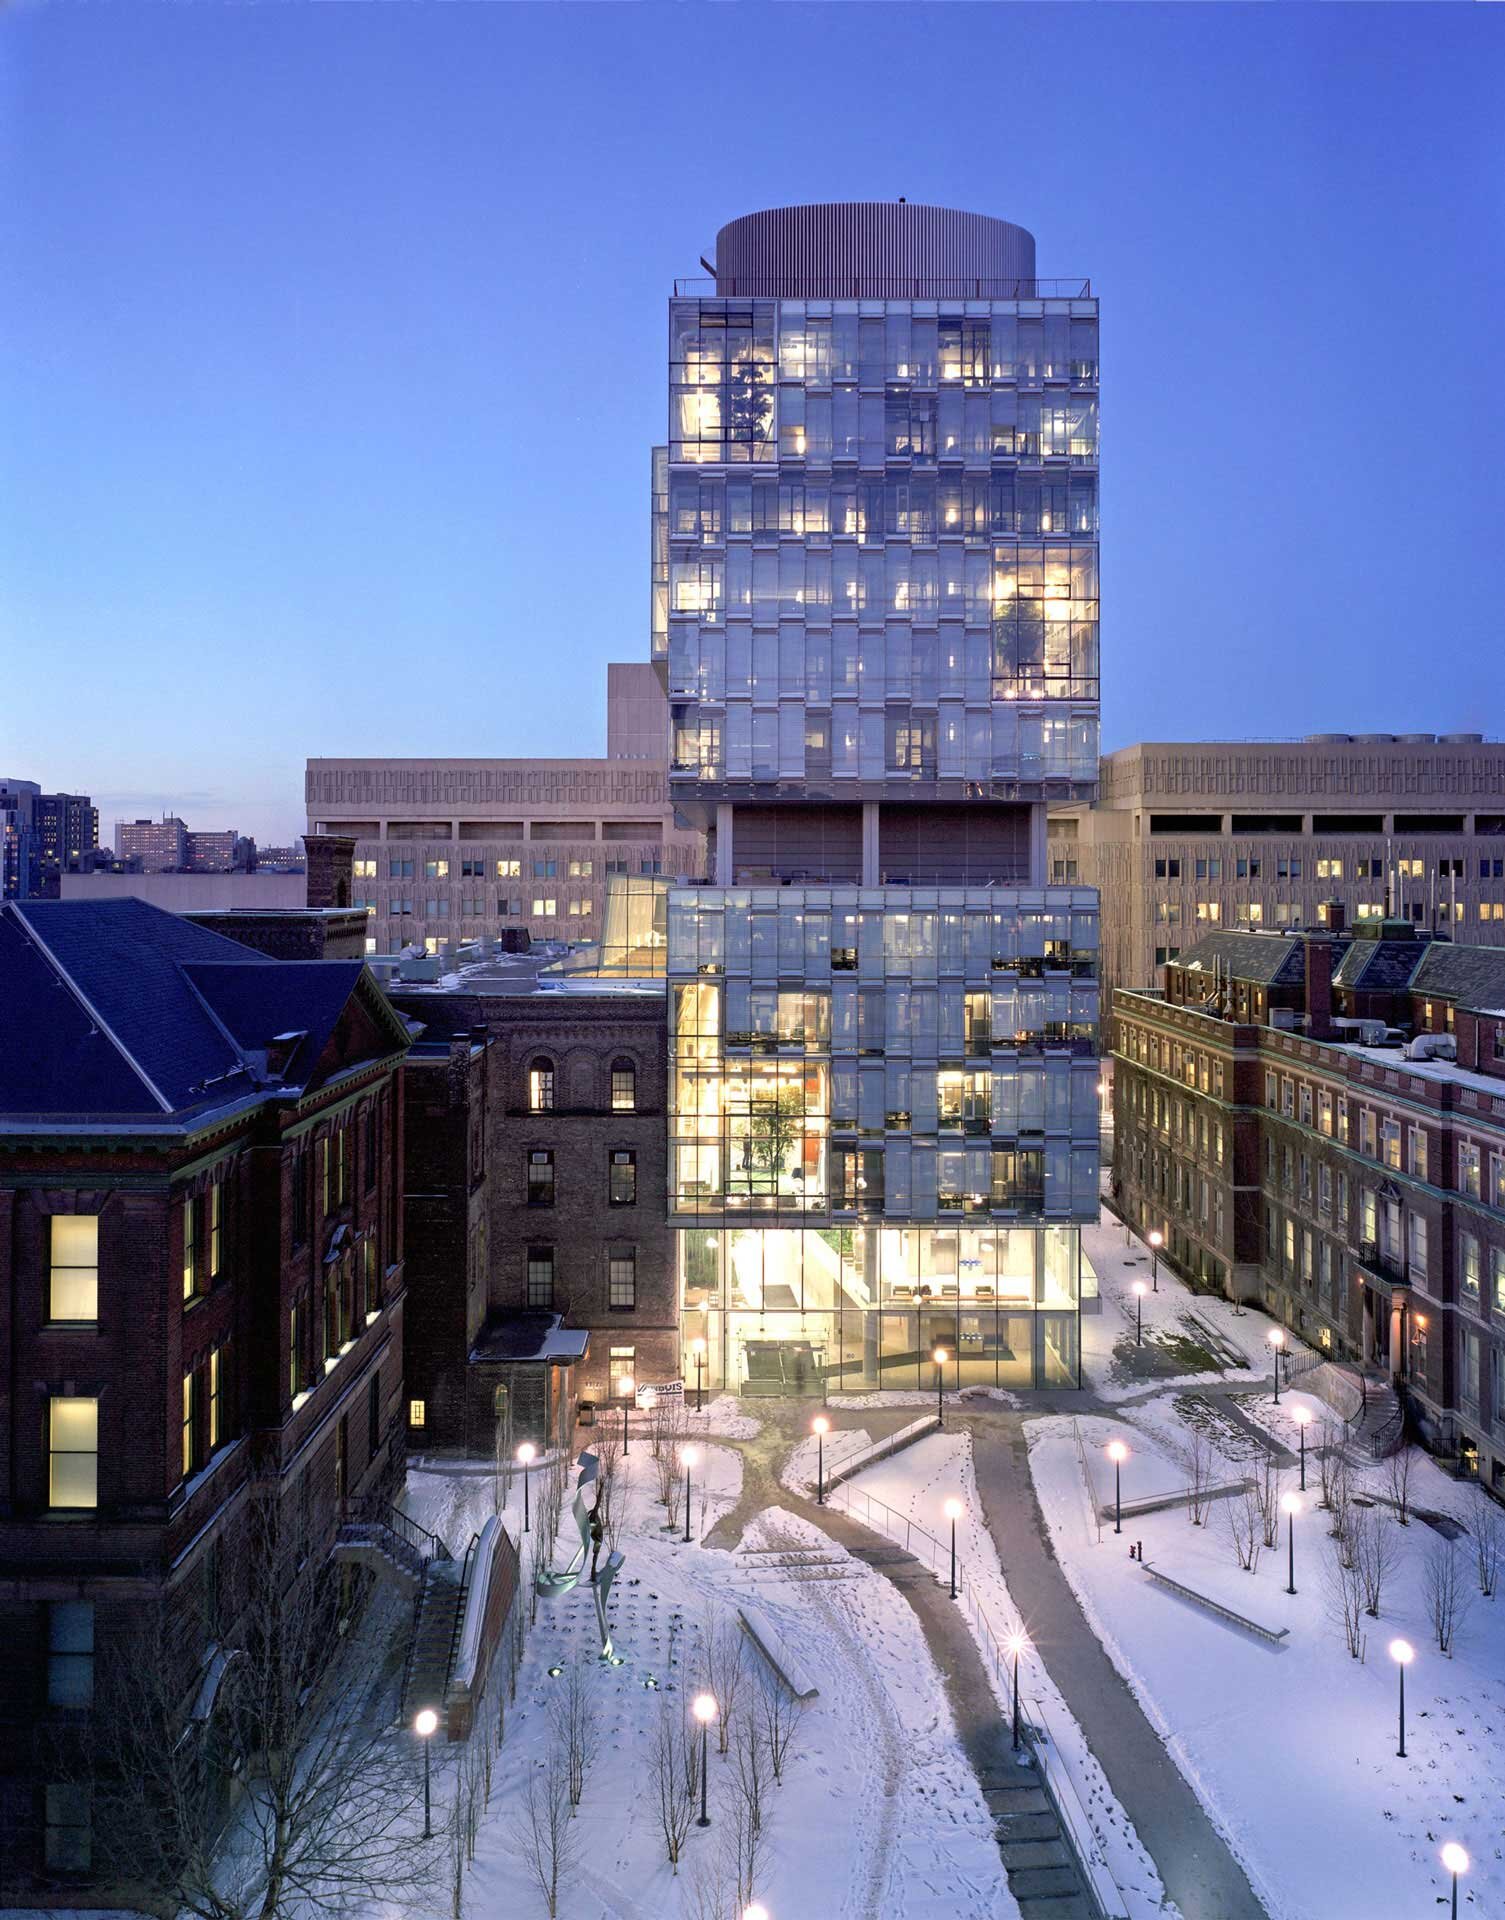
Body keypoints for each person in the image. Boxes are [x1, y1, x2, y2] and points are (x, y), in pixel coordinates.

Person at [588, 1508, 604, 1584]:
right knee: (595, 1554)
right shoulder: (594, 1518)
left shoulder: (594, 1519)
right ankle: (593, 1573)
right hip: (598, 1538)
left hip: (598, 1538)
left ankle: (593, 1574)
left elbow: (592, 1527)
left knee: (595, 1553)